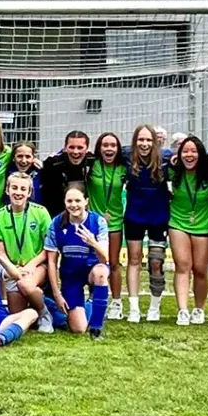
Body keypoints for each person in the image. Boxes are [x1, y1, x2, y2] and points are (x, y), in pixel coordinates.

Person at [0, 171, 55, 331]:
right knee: (16, 314)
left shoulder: (41, 213)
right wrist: (13, 269)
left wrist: (31, 266)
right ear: (7, 190)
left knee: (25, 285)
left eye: (23, 189)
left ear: (29, 192)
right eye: (14, 188)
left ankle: (45, 313)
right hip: (13, 269)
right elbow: (0, 252)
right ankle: (40, 301)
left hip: (37, 266)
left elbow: (49, 249)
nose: (18, 192)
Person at [44, 184, 110, 340]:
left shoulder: (98, 222)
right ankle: (89, 304)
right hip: (71, 275)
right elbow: (52, 262)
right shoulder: (56, 224)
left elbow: (105, 258)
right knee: (78, 328)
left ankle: (96, 328)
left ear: (86, 201)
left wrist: (93, 242)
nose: (73, 205)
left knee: (101, 273)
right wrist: (57, 294)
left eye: (78, 201)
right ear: (65, 202)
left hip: (92, 270)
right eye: (69, 201)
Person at [123, 124, 171, 323]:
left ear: (155, 141)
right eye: (140, 140)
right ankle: (133, 307)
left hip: (158, 216)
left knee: (156, 262)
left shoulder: (167, 158)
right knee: (133, 260)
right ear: (135, 141)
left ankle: (154, 306)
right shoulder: (126, 156)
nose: (144, 144)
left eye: (148, 140)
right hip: (134, 215)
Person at [168, 137, 208, 327]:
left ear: (200, 154)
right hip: (178, 221)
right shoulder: (172, 170)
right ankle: (182, 310)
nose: (189, 155)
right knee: (182, 265)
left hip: (203, 223)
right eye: (185, 151)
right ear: (179, 155)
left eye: (194, 151)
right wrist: (171, 159)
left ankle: (199, 308)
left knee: (200, 269)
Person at [88, 132, 127, 321]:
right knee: (93, 261)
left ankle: (117, 302)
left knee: (113, 262)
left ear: (118, 148)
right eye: (105, 145)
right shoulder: (91, 166)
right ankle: (92, 298)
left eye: (113, 145)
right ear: (99, 148)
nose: (109, 149)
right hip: (94, 222)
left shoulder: (123, 167)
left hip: (115, 221)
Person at [40, 130, 93, 217]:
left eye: (80, 148)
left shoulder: (93, 162)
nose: (75, 152)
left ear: (87, 148)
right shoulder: (52, 165)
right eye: (71, 147)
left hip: (85, 215)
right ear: (65, 147)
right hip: (58, 215)